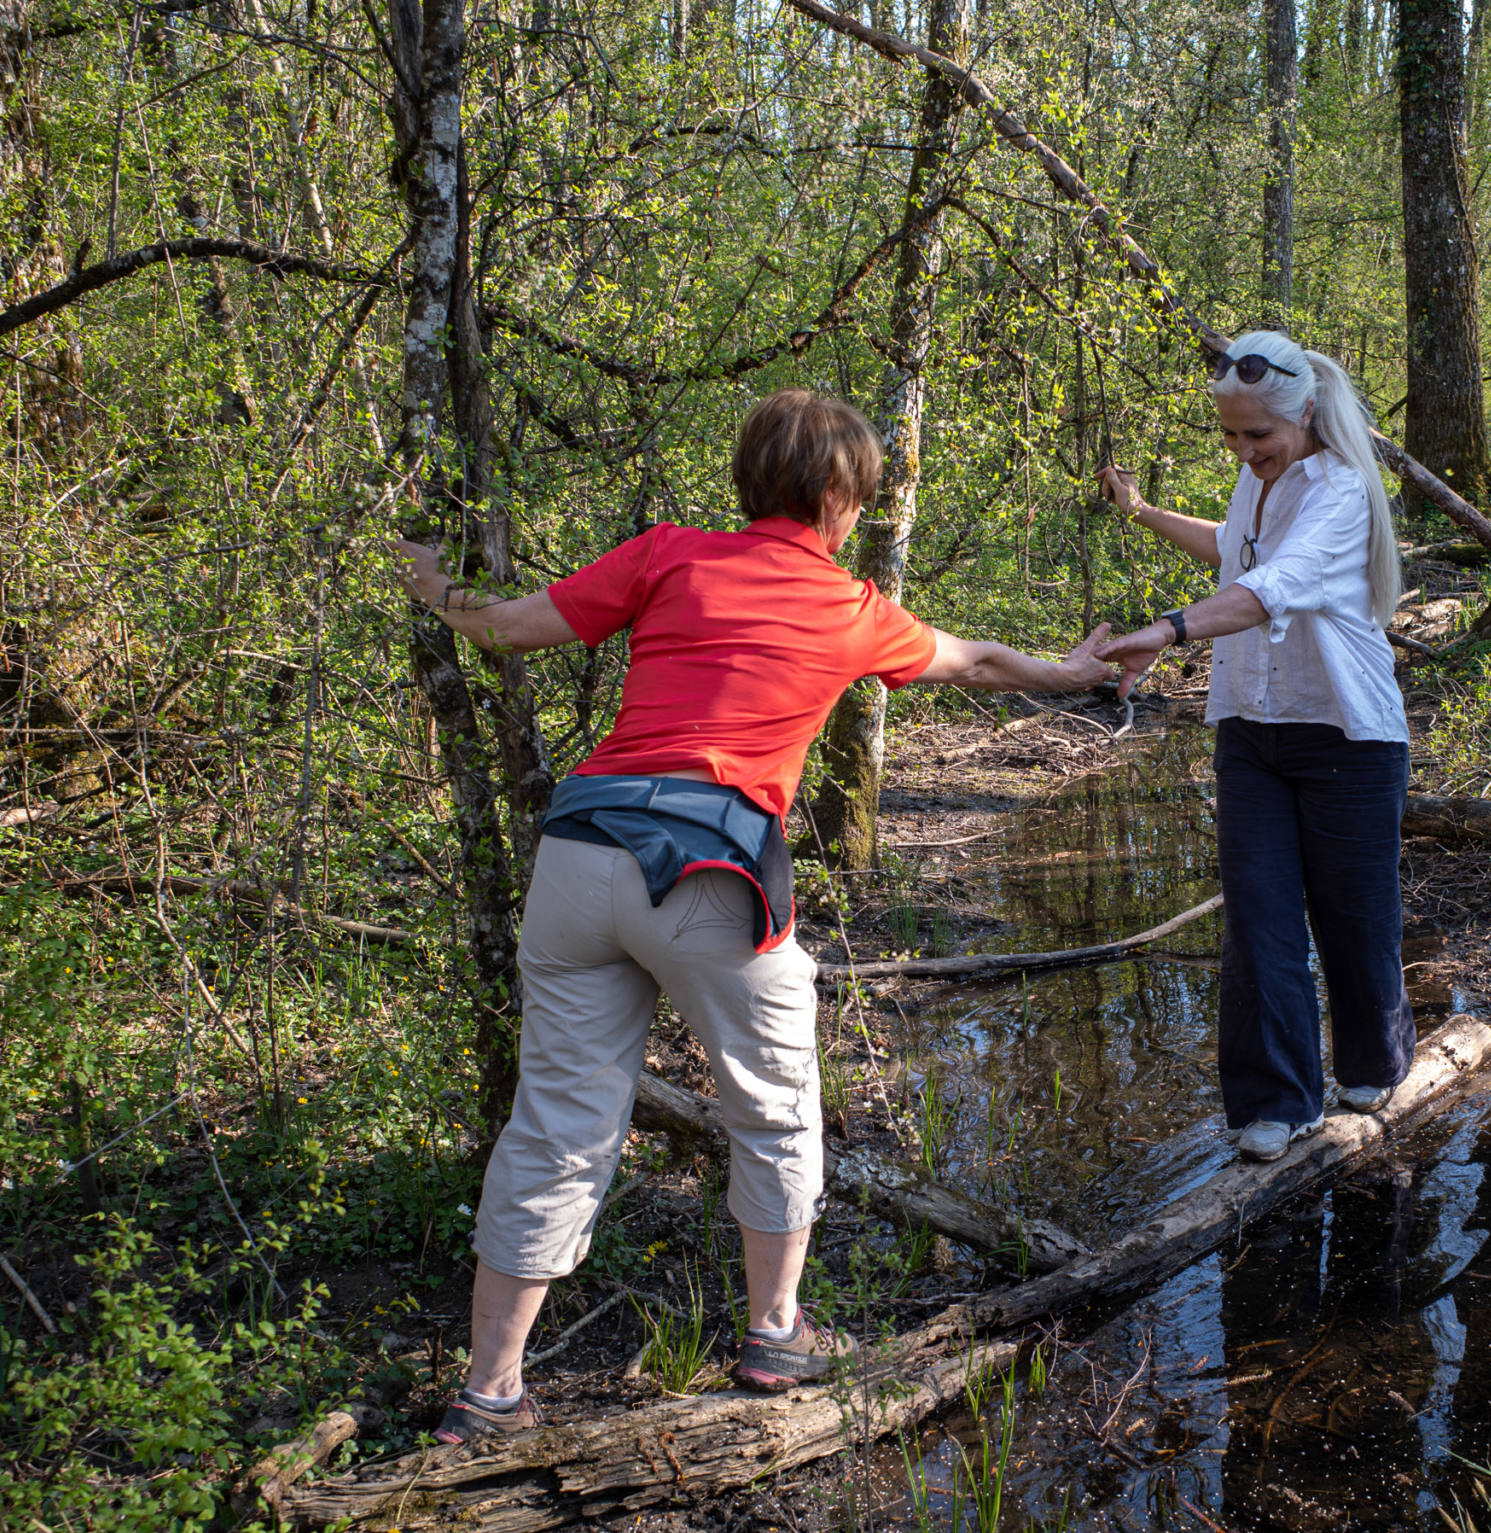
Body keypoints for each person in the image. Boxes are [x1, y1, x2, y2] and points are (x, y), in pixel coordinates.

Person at [390, 388, 1116, 1439]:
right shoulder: (853, 608)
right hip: (705, 870)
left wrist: (433, 586)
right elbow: (984, 662)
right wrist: (1077, 673)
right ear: (838, 499)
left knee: (553, 1123)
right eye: (860, 497)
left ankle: (490, 1391)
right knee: (773, 1103)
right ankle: (775, 1334)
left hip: (580, 851)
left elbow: (504, 630)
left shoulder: (668, 555)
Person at [1093, 329, 1416, 1162]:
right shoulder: (1255, 480)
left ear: (1303, 411)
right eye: (1231, 437)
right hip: (1249, 726)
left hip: (1345, 732)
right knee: (1260, 919)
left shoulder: (1341, 491)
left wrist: (1167, 630)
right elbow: (1237, 550)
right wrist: (1141, 512)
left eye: (1258, 436)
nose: (1244, 451)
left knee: (1353, 915)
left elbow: (1269, 586)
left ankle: (1374, 1063)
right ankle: (1279, 1100)